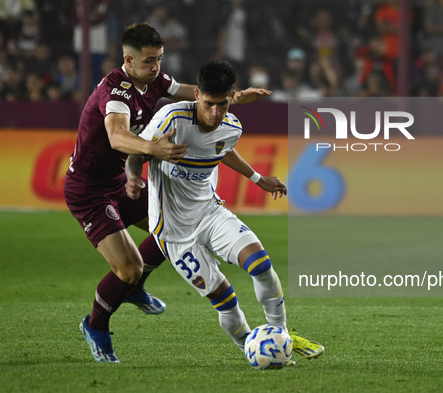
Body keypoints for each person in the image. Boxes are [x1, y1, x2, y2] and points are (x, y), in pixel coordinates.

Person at [64, 22, 269, 363]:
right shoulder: (116, 93)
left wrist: (234, 97)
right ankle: (95, 324)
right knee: (128, 268)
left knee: (169, 232)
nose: (156, 66)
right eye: (148, 61)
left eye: (158, 58)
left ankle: (134, 290)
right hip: (89, 190)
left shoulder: (154, 80)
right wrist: (152, 148)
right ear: (128, 61)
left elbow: (193, 92)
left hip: (119, 180)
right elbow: (116, 136)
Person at [125, 59, 325, 364]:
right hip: (174, 234)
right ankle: (253, 349)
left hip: (210, 213)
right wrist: (133, 177)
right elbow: (135, 152)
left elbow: (222, 148)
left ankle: (281, 334)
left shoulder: (232, 127)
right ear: (197, 96)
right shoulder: (171, 119)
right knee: (227, 303)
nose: (216, 113)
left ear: (231, 98)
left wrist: (259, 179)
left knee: (261, 265)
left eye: (222, 105)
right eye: (209, 104)